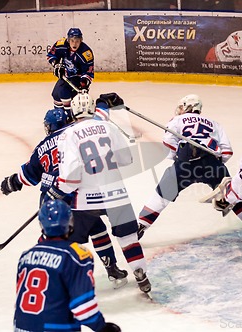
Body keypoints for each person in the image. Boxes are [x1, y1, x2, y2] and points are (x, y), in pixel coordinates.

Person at [1, 107, 128, 289]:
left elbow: (28, 176)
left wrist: (10, 183)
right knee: (95, 226)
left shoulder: (42, 146)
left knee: (55, 236)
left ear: (49, 126)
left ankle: (48, 272)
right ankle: (111, 268)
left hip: (51, 197)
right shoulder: (76, 134)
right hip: (77, 191)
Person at [45, 92, 151, 294]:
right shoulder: (109, 127)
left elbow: (71, 177)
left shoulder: (68, 135)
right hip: (117, 194)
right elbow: (126, 159)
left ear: (73, 112)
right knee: (128, 237)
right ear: (92, 109)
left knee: (71, 241)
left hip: (86, 200)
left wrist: (57, 191)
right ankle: (140, 272)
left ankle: (68, 284)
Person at [137, 94, 242, 239]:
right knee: (231, 193)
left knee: (161, 195)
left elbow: (168, 143)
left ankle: (140, 226)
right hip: (212, 164)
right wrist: (216, 165)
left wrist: (178, 157)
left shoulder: (176, 120)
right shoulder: (215, 124)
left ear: (187, 106)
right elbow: (227, 151)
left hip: (185, 164)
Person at [14, 199, 121, 332]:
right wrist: (102, 327)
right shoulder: (76, 256)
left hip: (21, 327)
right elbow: (82, 306)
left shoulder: (26, 256)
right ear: (70, 222)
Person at [0, 108, 70, 206]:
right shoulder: (76, 133)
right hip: (79, 187)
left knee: (49, 217)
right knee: (85, 218)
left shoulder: (42, 147)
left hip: (52, 193)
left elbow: (28, 174)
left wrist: (12, 181)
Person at [47, 27, 94, 117]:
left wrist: (84, 85)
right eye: (72, 40)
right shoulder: (61, 44)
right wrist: (56, 64)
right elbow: (51, 55)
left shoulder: (86, 53)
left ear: (81, 40)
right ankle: (60, 116)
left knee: (63, 92)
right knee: (56, 94)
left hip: (78, 78)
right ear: (68, 40)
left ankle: (70, 116)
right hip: (66, 75)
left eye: (77, 40)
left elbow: (88, 72)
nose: (74, 43)